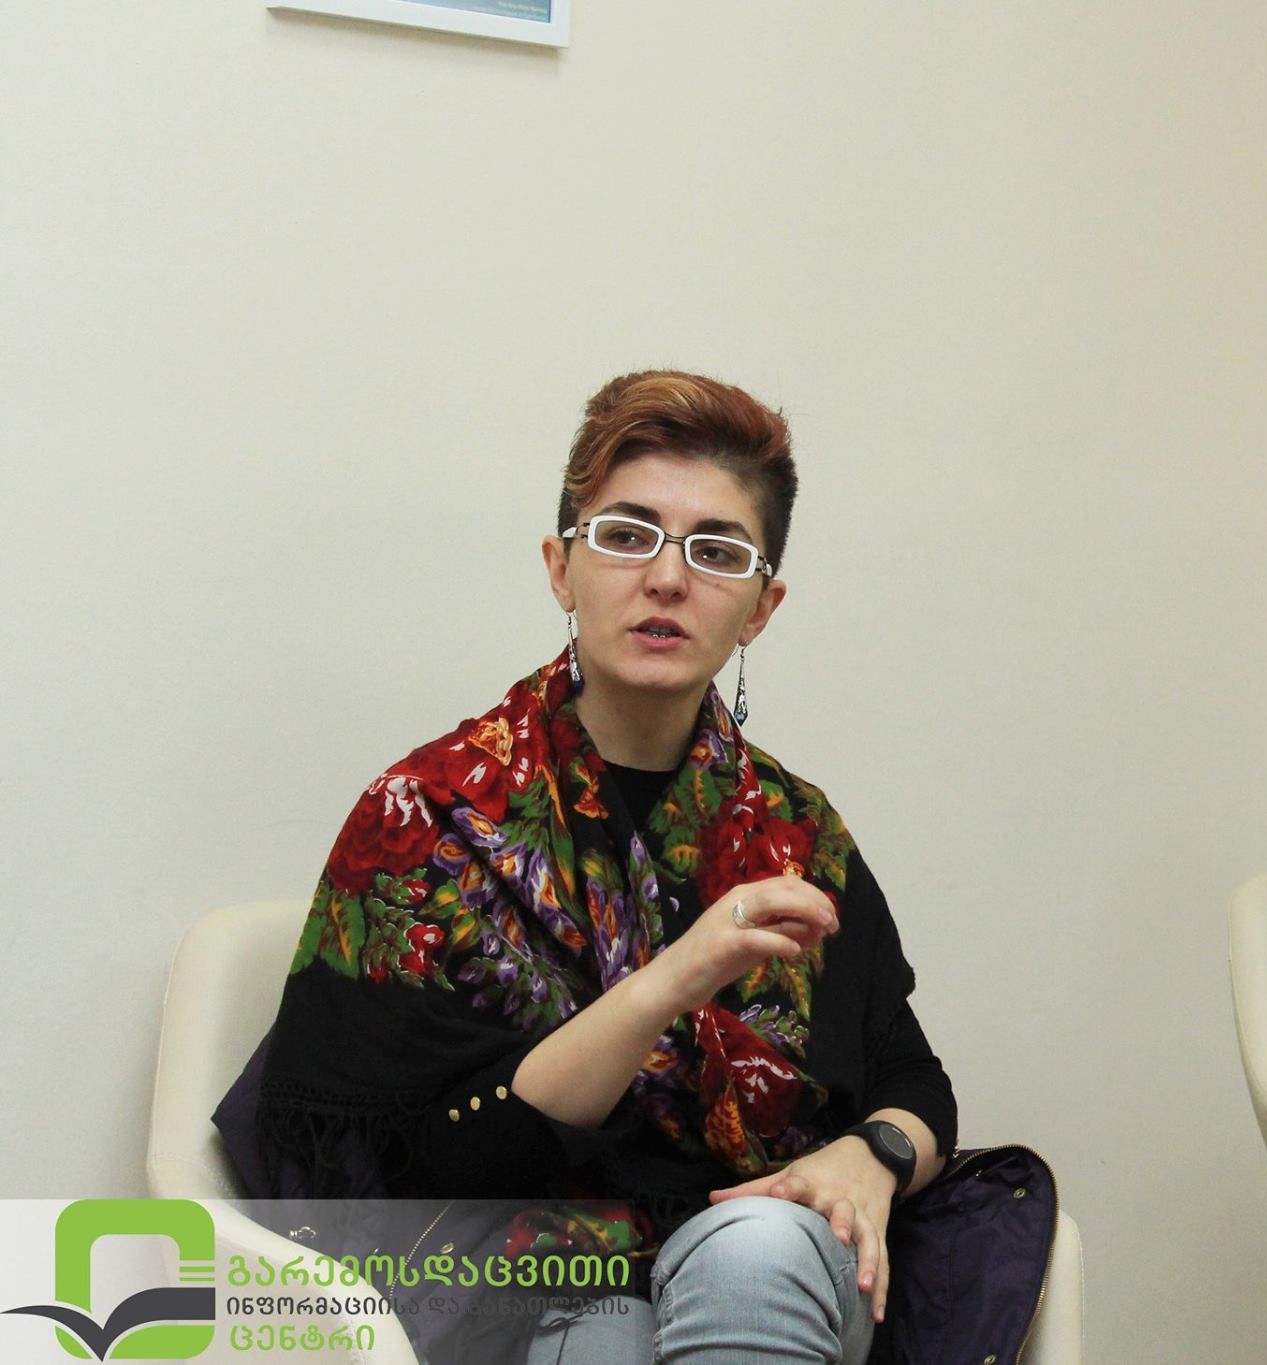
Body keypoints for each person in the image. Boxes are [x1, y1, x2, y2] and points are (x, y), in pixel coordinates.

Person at [237, 371, 957, 1364]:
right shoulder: (429, 819)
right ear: (560, 568)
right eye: (626, 535)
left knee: (751, 1250)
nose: (666, 579)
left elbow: (910, 1077)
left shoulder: (799, 832)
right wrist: (674, 979)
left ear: (761, 607)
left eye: (717, 551)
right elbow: (415, 1172)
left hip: (768, 1256)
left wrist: (872, 1155)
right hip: (520, 1278)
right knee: (609, 1340)